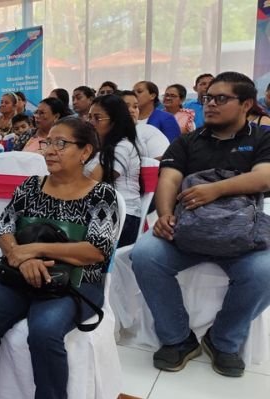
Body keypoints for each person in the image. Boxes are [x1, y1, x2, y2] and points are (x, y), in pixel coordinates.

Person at [0, 117, 119, 399]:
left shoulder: (101, 194)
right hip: (19, 273)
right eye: (48, 142)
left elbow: (96, 250)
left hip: (75, 281)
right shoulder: (30, 186)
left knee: (44, 331)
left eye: (61, 144)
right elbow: (4, 228)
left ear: (85, 152)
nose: (49, 150)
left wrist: (36, 250)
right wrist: (20, 258)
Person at [131, 72, 270, 378]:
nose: (210, 104)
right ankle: (178, 339)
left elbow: (265, 177)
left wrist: (215, 189)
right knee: (144, 255)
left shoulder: (262, 138)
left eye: (222, 98)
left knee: (265, 269)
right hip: (187, 231)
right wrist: (166, 213)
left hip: (241, 237)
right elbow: (169, 180)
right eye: (208, 98)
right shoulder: (187, 142)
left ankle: (223, 340)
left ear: (246, 103)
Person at [87, 94, 142, 247]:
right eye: (89, 117)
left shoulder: (123, 146)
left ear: (115, 121)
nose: (91, 123)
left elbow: (94, 181)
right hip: (98, 212)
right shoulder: (98, 149)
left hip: (122, 215)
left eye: (97, 118)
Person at [119, 90, 169, 160]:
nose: (132, 110)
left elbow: (162, 161)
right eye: (126, 106)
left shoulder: (148, 131)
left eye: (135, 106)